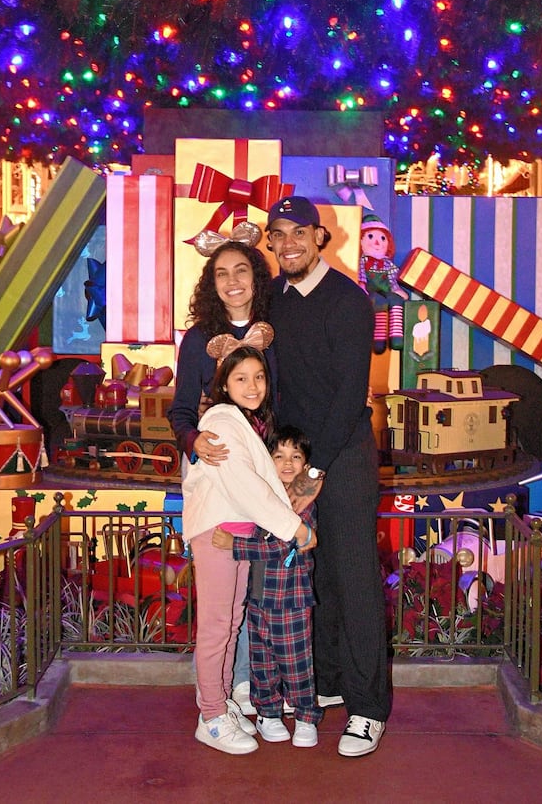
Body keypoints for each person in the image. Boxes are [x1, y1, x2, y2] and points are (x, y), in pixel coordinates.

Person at [266, 195, 391, 758]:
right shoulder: (274, 296)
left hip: (339, 459)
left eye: (299, 233)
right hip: (291, 461)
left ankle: (368, 709)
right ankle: (330, 683)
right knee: (311, 579)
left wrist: (314, 469)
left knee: (355, 577)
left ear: (322, 237)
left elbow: (347, 396)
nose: (288, 243)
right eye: (278, 234)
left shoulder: (348, 300)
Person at [182, 343, 315, 755]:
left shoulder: (246, 421)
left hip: (236, 536)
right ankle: (211, 716)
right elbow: (242, 482)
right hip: (218, 533)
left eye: (259, 377)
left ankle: (221, 704)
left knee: (231, 622)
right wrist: (294, 527)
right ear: (224, 383)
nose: (252, 385)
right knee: (217, 627)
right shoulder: (221, 419)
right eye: (241, 378)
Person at [167, 230, 274, 710]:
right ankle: (218, 696)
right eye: (221, 272)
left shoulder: (276, 332)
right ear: (211, 282)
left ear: (257, 277)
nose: (232, 281)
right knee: (221, 596)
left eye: (242, 270)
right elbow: (180, 411)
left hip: (264, 479)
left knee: (252, 591)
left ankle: (243, 684)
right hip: (218, 476)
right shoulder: (197, 339)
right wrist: (194, 441)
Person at [213, 424, 321, 748]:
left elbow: (283, 544)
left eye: (295, 456)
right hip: (259, 597)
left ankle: (305, 715)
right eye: (279, 455)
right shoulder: (261, 496)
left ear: (305, 464)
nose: (287, 463)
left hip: (290, 599)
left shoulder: (305, 503)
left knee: (297, 661)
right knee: (262, 662)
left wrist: (235, 546)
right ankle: (268, 713)